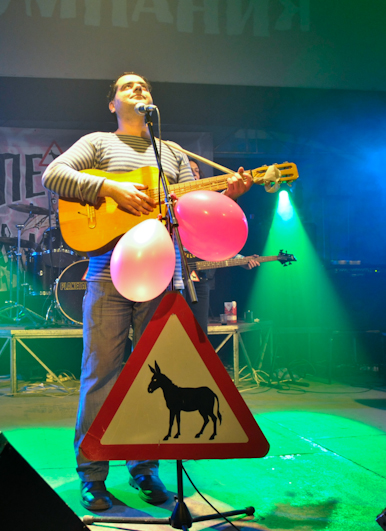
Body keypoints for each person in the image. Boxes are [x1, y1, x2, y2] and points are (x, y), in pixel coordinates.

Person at [42, 72, 254, 512]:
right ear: (112, 104)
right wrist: (111, 188)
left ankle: (145, 468)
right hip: (107, 270)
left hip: (162, 274)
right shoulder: (98, 143)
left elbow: (194, 212)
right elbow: (53, 174)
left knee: (153, 375)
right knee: (100, 372)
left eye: (143, 86)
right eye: (127, 86)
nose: (138, 90)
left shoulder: (172, 153)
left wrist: (230, 194)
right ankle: (92, 474)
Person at [184, 159, 261, 333]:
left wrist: (240, 259)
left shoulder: (207, 204)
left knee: (198, 331)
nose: (193, 173)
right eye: (189, 169)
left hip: (199, 276)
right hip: (174, 277)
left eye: (196, 171)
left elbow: (214, 242)